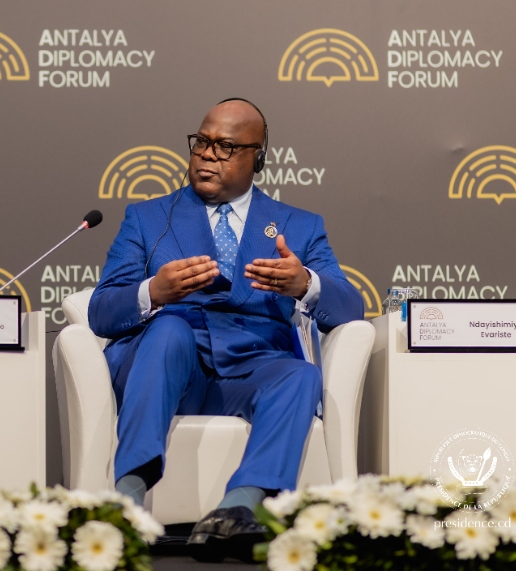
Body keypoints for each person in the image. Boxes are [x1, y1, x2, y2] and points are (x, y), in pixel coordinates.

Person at [88, 99, 362, 560]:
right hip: (167, 368)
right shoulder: (148, 218)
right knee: (170, 331)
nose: (207, 155)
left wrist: (305, 284)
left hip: (250, 371)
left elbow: (351, 307)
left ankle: (238, 507)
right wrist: (154, 291)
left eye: (226, 147)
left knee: (301, 376)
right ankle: (127, 498)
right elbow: (101, 311)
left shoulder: (299, 226)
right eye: (202, 142)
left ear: (258, 157)